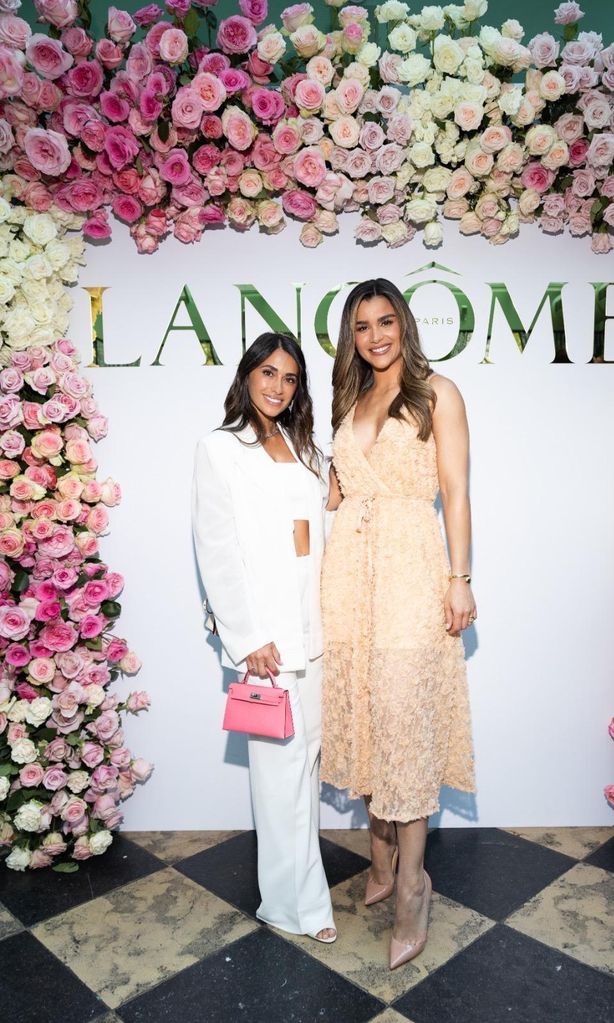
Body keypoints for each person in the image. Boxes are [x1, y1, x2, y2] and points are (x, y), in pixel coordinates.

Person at [320, 279, 476, 969]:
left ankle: (413, 885)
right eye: (362, 325)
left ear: (404, 323)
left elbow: (456, 490)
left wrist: (460, 577)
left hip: (412, 570)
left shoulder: (437, 391)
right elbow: (329, 494)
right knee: (366, 713)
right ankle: (378, 861)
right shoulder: (349, 398)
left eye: (386, 321)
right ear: (350, 336)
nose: (376, 335)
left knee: (406, 721)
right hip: (349, 577)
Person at [192, 332, 336, 943]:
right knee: (279, 781)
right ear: (247, 375)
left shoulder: (305, 448)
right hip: (268, 642)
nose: (278, 387)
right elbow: (216, 548)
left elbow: (327, 526)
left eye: (291, 378)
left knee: (304, 773)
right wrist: (247, 635)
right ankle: (297, 907)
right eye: (268, 373)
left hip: (318, 630)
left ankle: (292, 898)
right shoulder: (220, 448)